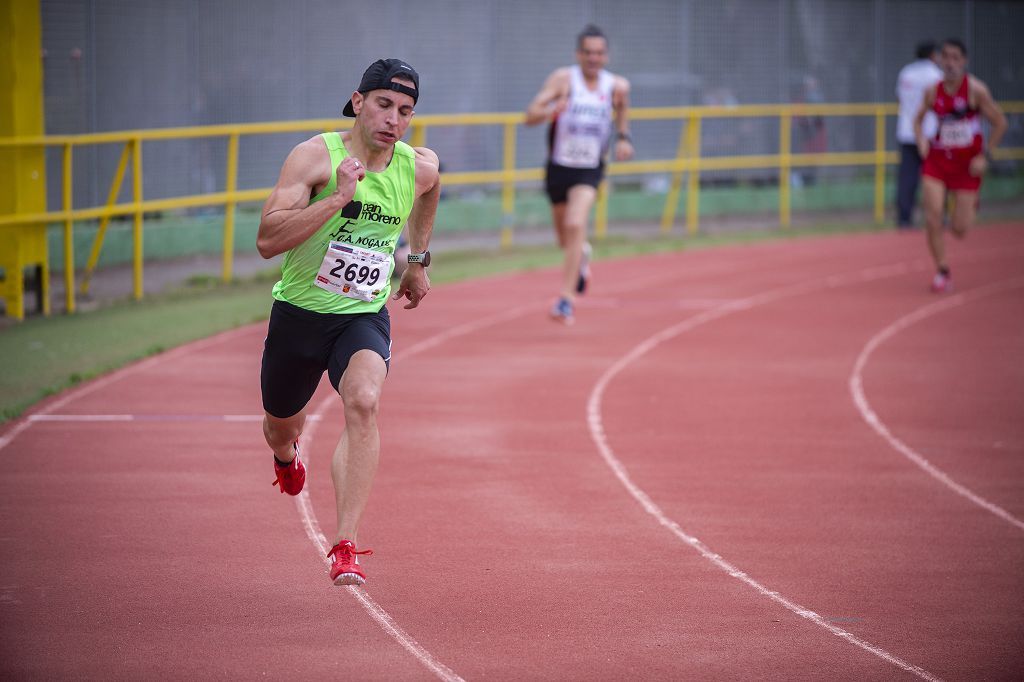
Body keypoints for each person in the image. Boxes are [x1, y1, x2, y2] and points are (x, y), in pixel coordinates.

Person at [256, 58, 441, 585]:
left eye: (405, 111)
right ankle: (285, 457)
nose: (393, 120)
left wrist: (418, 261)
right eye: (384, 105)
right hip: (298, 316)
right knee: (279, 426)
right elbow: (268, 241)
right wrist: (339, 199)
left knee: (364, 399)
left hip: (361, 315)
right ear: (358, 102)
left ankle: (345, 545)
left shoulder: (415, 165)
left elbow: (430, 189)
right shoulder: (314, 158)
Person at [525, 24, 634, 324]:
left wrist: (624, 138)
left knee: (576, 222)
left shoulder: (617, 86)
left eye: (599, 53)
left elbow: (622, 110)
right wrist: (550, 110)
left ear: (606, 56)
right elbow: (530, 114)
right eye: (588, 53)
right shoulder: (564, 80)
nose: (593, 58)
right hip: (559, 168)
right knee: (565, 238)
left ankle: (565, 300)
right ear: (578, 54)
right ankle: (582, 256)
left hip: (590, 169)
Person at [914, 38, 1006, 293]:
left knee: (959, 230)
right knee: (932, 217)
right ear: (940, 60)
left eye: (955, 57)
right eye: (945, 57)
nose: (950, 62)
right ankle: (942, 271)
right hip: (938, 161)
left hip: (968, 166)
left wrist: (985, 155)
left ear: (964, 61)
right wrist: (922, 141)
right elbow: (918, 120)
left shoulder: (976, 90)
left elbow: (1000, 122)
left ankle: (971, 202)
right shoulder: (933, 91)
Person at [895, 41, 942, 229]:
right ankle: (936, 215)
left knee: (907, 177)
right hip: (930, 132)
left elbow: (899, 97)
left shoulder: (906, 72)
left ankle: (904, 218)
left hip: (906, 131)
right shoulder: (936, 75)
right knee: (935, 177)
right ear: (932, 55)